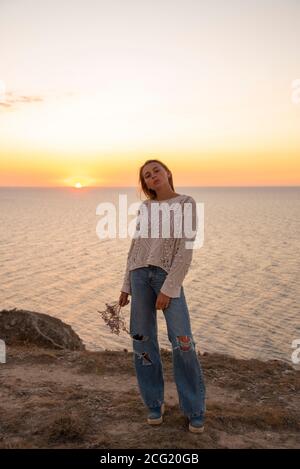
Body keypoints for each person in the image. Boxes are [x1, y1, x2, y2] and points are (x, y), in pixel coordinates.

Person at [118, 159, 206, 433]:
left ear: (167, 173)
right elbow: (136, 246)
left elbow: (185, 250)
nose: (152, 176)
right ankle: (154, 403)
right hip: (139, 276)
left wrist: (169, 288)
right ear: (145, 184)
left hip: (166, 277)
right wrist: (126, 285)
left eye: (156, 171)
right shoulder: (146, 207)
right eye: (147, 175)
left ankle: (194, 408)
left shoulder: (186, 203)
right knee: (142, 341)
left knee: (182, 341)